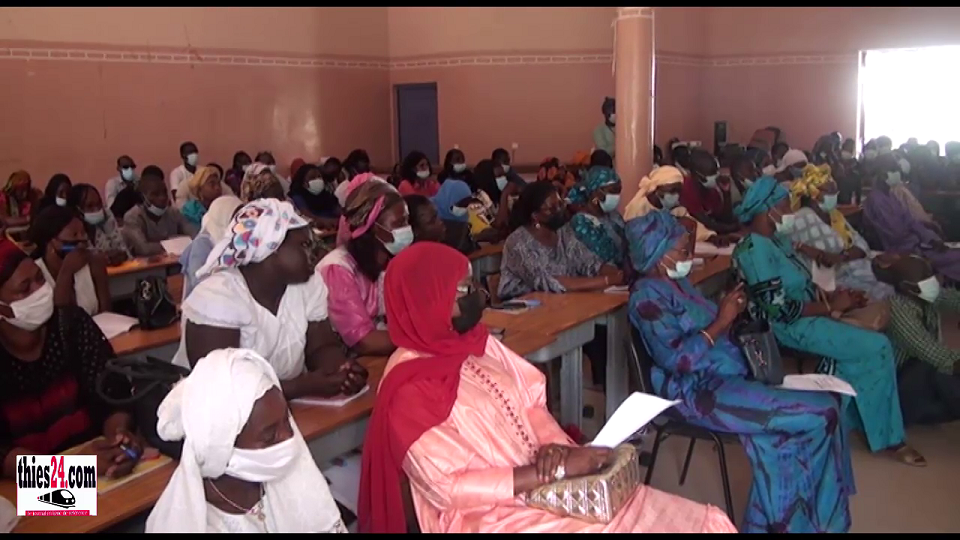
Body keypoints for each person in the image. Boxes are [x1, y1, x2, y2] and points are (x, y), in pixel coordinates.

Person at [357, 241, 736, 534]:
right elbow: (449, 488)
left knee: (684, 520)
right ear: (428, 301)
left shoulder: (475, 342)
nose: (478, 295)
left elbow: (530, 403)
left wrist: (554, 447)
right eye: (463, 289)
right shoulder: (406, 388)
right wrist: (551, 473)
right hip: (489, 516)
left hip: (549, 485)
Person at [627, 211, 854, 533]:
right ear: (657, 252)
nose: (688, 256)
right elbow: (677, 360)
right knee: (820, 414)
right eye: (681, 250)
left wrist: (733, 313)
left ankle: (793, 523)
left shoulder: (679, 284)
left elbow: (711, 327)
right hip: (696, 392)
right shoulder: (646, 296)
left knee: (827, 406)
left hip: (728, 375)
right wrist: (722, 320)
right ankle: (801, 523)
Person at [732, 176, 924, 466]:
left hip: (809, 314)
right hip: (786, 327)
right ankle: (888, 438)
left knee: (869, 347)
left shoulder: (778, 241)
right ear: (768, 210)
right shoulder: (753, 250)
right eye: (785, 206)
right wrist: (831, 307)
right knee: (877, 346)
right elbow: (778, 310)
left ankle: (845, 420)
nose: (790, 212)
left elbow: (803, 281)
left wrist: (834, 296)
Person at [174, 198, 365, 399]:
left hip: (281, 406)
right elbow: (221, 388)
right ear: (270, 248)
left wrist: (340, 370)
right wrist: (304, 386)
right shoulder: (218, 297)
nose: (315, 253)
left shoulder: (308, 283)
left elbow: (321, 346)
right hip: (217, 412)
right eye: (305, 245)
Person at [146, 348, 347, 533]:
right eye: (269, 436)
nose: (288, 437)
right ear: (222, 448)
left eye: (287, 421)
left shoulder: (285, 476)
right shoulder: (193, 523)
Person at [0, 238, 142, 480]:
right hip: (27, 485)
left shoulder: (71, 325)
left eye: (40, 278)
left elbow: (112, 393)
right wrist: (72, 471)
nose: (39, 291)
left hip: (98, 468)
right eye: (25, 289)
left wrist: (119, 438)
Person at [318, 174, 409, 356]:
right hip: (348, 360)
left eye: (407, 221)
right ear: (372, 226)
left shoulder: (389, 260)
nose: (407, 229)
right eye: (399, 223)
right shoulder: (338, 269)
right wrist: (420, 337)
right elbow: (364, 341)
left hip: (386, 350)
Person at [871, 255, 960, 426]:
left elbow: (955, 299)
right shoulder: (898, 311)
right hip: (900, 385)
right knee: (940, 371)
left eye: (930, 274)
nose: (933, 281)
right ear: (906, 287)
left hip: (919, 374)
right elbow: (936, 355)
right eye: (925, 278)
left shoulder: (922, 294)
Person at [499, 181, 623, 300]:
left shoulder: (563, 232)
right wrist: (608, 280)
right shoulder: (517, 243)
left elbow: (588, 262)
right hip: (523, 307)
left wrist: (619, 275)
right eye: (552, 208)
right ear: (535, 216)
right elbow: (550, 282)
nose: (560, 210)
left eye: (560, 204)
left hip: (562, 301)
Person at [788, 164, 893, 301]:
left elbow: (861, 246)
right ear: (814, 193)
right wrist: (845, 254)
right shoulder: (803, 218)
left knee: (893, 276)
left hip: (854, 267)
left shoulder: (834, 215)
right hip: (834, 280)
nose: (835, 195)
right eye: (830, 191)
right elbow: (827, 259)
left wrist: (843, 256)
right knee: (886, 290)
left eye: (835, 191)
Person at [864, 155, 960, 283]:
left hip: (918, 245)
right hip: (904, 250)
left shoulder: (891, 195)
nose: (898, 173)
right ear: (883, 174)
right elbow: (896, 234)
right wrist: (921, 242)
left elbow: (912, 221)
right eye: (894, 169)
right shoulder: (876, 200)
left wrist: (932, 239)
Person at [28, 206, 110, 316]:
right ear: (53, 241)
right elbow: (59, 316)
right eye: (74, 234)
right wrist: (67, 271)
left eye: (83, 233)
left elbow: (107, 313)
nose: (81, 241)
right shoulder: (35, 273)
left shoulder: (94, 264)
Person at [623, 165, 731, 245]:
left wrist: (712, 237)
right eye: (672, 191)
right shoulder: (638, 209)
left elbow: (696, 228)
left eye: (679, 191)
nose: (676, 195)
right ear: (658, 190)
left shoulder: (676, 210)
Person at [122, 167, 198, 257]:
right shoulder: (133, 217)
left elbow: (195, 236)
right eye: (155, 194)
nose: (162, 197)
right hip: (146, 264)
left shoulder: (173, 212)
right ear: (143, 197)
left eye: (165, 193)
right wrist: (175, 244)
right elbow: (144, 249)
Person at [179, 195, 243, 300]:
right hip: (204, 302)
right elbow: (198, 283)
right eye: (234, 218)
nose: (238, 222)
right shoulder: (202, 244)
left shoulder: (237, 239)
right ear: (222, 217)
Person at [565, 166, 626, 266]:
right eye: (613, 191)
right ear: (596, 192)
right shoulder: (581, 222)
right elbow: (604, 254)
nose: (617, 196)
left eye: (619, 190)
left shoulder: (613, 215)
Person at [679, 149, 740, 235]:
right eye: (711, 173)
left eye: (716, 172)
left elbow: (725, 219)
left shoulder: (712, 191)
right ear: (696, 175)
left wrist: (726, 193)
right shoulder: (686, 189)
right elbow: (707, 224)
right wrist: (733, 227)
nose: (716, 176)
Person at [68, 183, 131, 266]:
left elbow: (124, 252)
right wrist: (105, 258)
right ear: (77, 210)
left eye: (99, 204)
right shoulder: (72, 236)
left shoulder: (103, 225)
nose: (97, 209)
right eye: (90, 206)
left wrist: (120, 255)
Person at [287, 163, 340, 229]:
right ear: (304, 183)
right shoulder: (297, 196)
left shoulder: (326, 194)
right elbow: (307, 215)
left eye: (319, 176)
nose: (317, 180)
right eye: (312, 177)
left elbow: (337, 209)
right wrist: (326, 221)